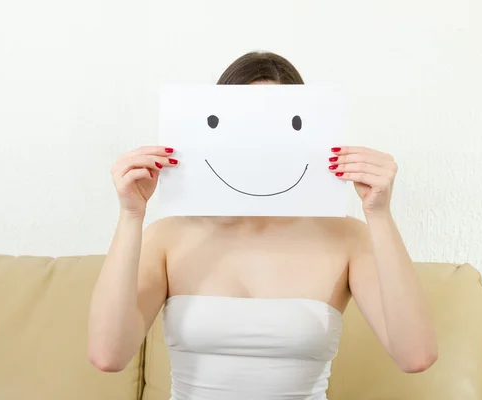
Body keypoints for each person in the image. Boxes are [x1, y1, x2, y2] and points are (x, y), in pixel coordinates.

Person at [87, 51, 438, 400]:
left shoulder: (345, 237)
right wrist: (131, 215)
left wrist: (379, 214)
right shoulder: (168, 236)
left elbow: (415, 356)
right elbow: (107, 355)